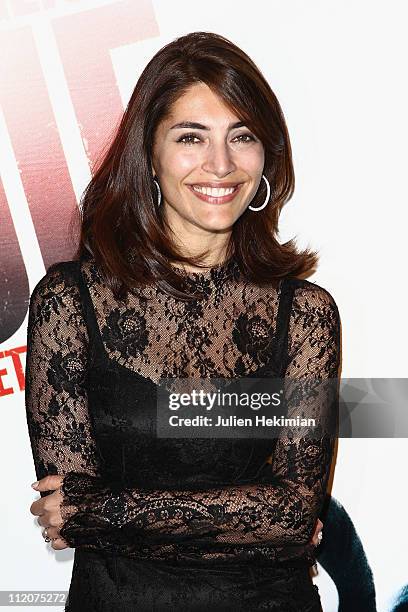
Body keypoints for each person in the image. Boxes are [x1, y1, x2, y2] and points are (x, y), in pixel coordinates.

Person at [25, 31, 341, 612]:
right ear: (149, 154)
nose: (221, 164)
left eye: (241, 137)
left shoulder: (306, 314)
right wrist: (252, 521)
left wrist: (106, 510)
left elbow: (295, 515)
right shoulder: (69, 303)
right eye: (191, 137)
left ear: (266, 154)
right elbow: (72, 513)